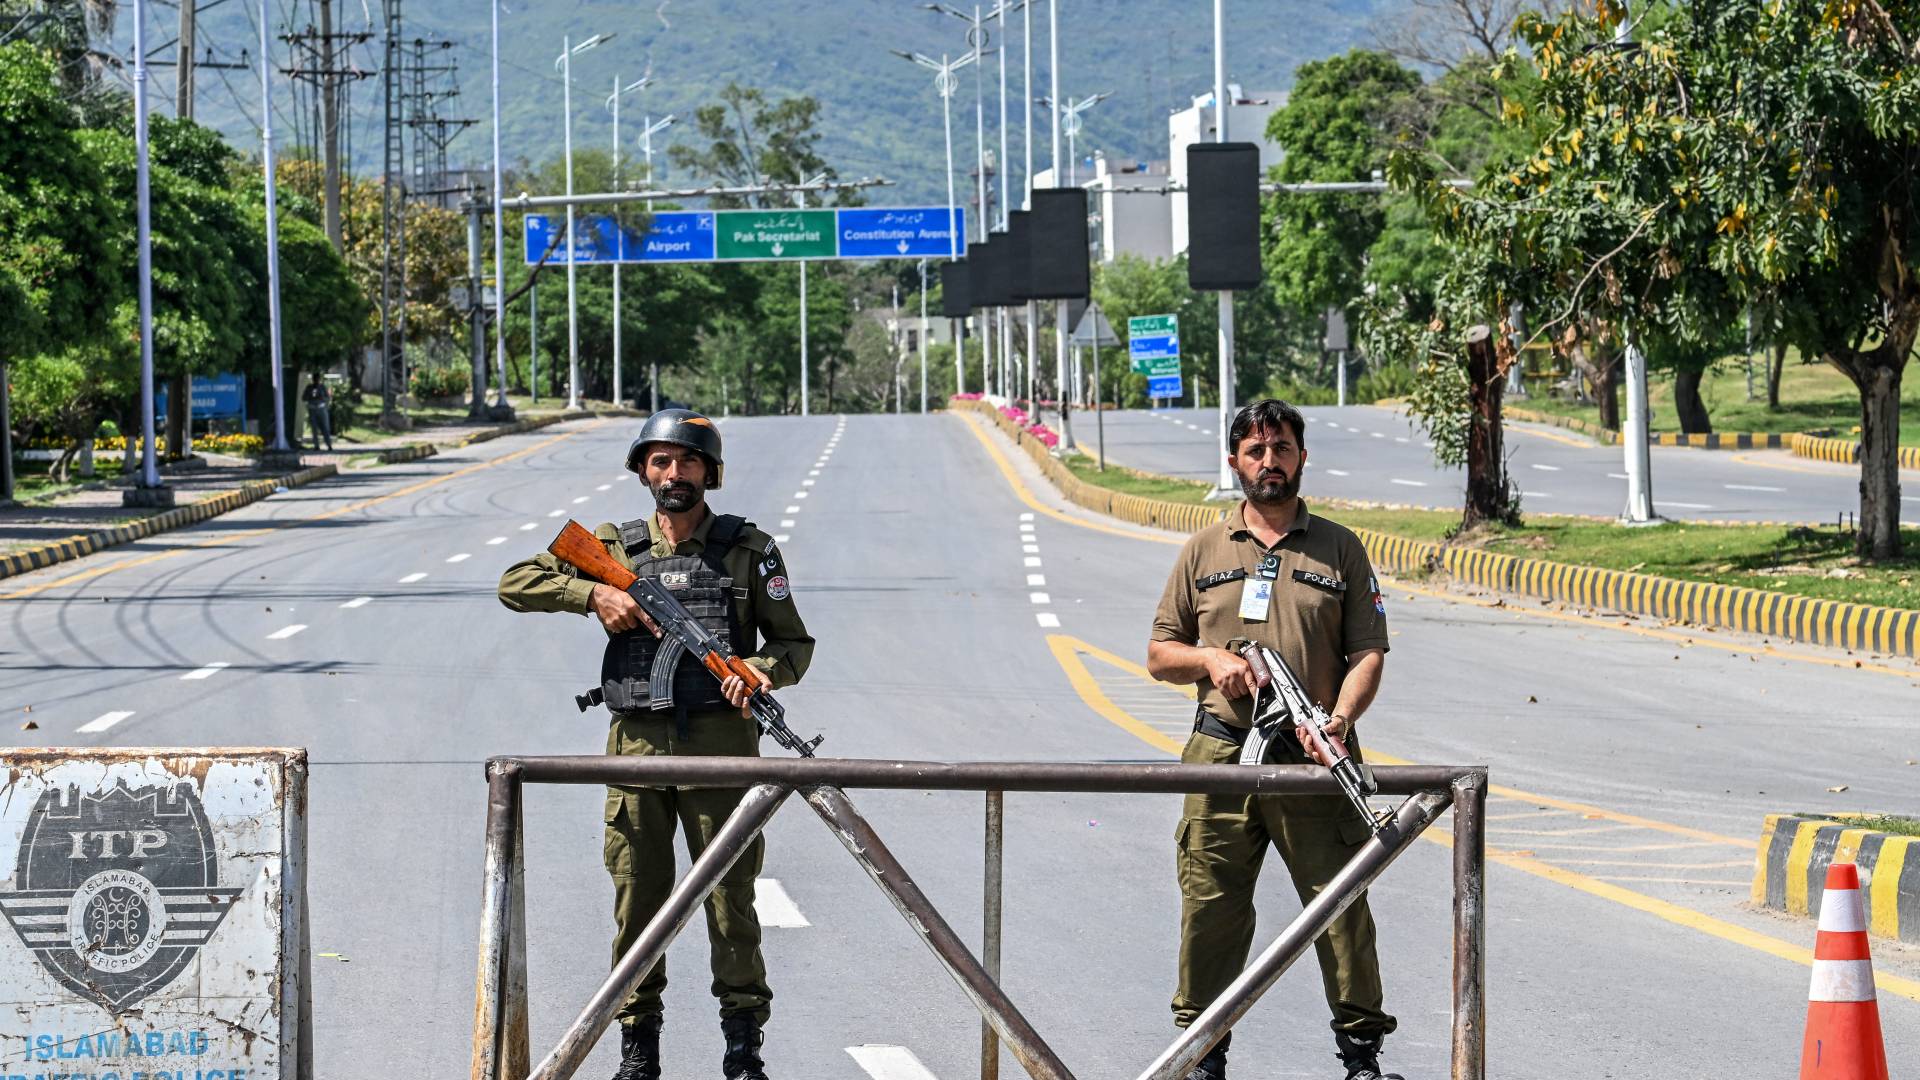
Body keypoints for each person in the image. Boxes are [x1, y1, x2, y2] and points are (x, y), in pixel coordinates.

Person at [497, 409, 814, 1080]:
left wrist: (759, 671)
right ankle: (637, 1050)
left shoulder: (748, 550)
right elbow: (515, 583)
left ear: (710, 472)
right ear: (643, 471)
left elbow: (793, 643)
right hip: (636, 750)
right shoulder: (613, 546)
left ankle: (743, 1049)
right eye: (661, 461)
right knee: (638, 901)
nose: (675, 473)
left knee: (731, 903)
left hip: (722, 751)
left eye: (688, 461)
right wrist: (592, 595)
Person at [1146, 399, 1399, 1080]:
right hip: (1223, 750)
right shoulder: (1204, 549)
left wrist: (1338, 722)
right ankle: (1201, 1054)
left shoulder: (1339, 547)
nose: (1270, 462)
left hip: (1315, 752)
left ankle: (1361, 1056)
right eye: (1256, 451)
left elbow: (1368, 653)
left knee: (1340, 903)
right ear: (1234, 461)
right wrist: (1210, 661)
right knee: (1211, 905)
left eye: (1281, 448)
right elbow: (1160, 654)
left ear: (1301, 457)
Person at [302, 372, 334, 451]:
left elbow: (327, 397)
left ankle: (329, 445)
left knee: (325, 427)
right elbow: (304, 398)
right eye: (315, 379)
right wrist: (310, 397)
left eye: (317, 379)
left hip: (321, 408)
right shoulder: (309, 387)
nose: (316, 381)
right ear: (313, 379)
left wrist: (322, 398)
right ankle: (316, 445)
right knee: (314, 428)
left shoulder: (322, 387)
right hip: (312, 409)